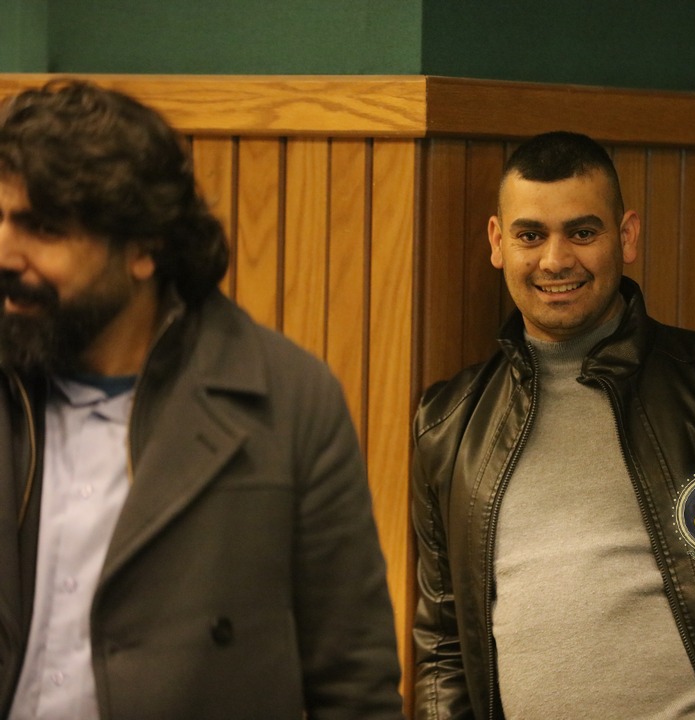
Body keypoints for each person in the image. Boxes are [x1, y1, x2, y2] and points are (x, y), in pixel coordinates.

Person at [411, 131, 695, 719]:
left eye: (582, 232)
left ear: (625, 236)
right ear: (498, 242)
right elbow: (444, 642)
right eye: (531, 235)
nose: (555, 260)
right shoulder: (447, 425)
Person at [0, 80, 402, 719]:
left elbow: (354, 685)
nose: (4, 252)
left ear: (143, 249)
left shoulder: (288, 402)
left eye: (43, 228)